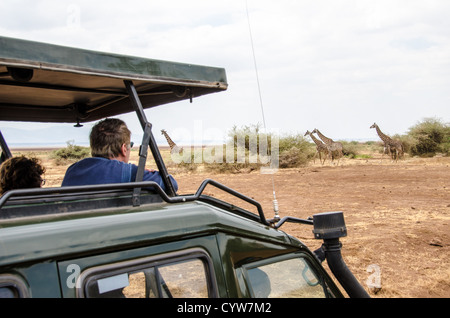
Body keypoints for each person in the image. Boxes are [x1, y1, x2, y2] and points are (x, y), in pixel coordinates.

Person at [61, 118, 178, 192]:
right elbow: (171, 184)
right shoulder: (126, 172)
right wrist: (142, 172)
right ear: (124, 149)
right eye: (129, 145)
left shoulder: (72, 169)